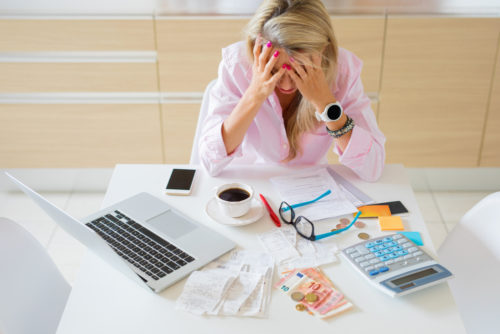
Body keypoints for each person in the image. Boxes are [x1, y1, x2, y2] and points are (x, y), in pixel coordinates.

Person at [198, 0, 385, 181]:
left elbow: (373, 167)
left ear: (323, 51)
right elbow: (208, 161)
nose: (286, 86)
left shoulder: (343, 72)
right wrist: (254, 95)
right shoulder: (237, 65)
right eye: (273, 70)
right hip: (251, 181)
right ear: (255, 49)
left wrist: (326, 103)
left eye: (299, 70)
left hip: (309, 185)